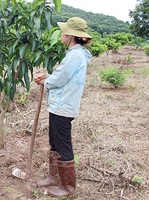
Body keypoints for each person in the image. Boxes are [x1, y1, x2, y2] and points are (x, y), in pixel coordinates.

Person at [34, 17, 92, 197]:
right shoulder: (74, 53)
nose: (61, 34)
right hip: (59, 105)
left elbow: (61, 78)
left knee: (63, 145)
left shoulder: (75, 54)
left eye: (64, 31)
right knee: (54, 142)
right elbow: (61, 75)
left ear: (70, 35)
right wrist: (48, 77)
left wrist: (46, 80)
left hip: (63, 106)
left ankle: (68, 187)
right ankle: (55, 177)